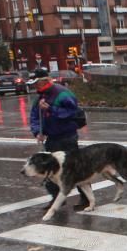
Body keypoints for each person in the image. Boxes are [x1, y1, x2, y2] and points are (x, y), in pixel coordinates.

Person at [29, 75, 90, 209]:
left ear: (44, 81)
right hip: (52, 138)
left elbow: (71, 112)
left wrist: (50, 109)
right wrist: (37, 132)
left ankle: (86, 198)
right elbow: (34, 116)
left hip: (67, 136)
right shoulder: (40, 97)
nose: (34, 86)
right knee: (48, 168)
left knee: (75, 167)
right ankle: (57, 198)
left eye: (36, 83)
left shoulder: (62, 93)